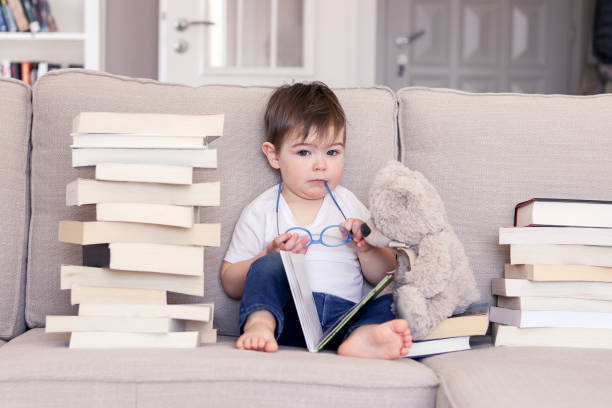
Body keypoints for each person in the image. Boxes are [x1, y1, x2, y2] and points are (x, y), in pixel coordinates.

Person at [221, 82, 412, 359]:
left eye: (332, 152)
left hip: (343, 316)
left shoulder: (349, 205)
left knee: (398, 302)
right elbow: (230, 283)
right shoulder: (260, 211)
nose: (321, 165)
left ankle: (360, 338)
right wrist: (267, 255)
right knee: (270, 264)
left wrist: (365, 248)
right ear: (274, 155)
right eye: (304, 152)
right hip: (286, 316)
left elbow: (388, 274)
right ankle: (260, 325)